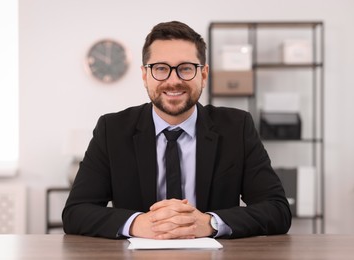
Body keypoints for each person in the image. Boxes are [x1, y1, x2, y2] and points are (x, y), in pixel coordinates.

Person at [62, 21, 291, 239]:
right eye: (161, 68)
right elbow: (76, 212)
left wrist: (211, 223)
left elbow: (277, 210)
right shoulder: (112, 130)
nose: (173, 80)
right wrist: (137, 223)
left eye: (186, 68)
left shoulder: (237, 127)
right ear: (145, 75)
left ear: (203, 74)